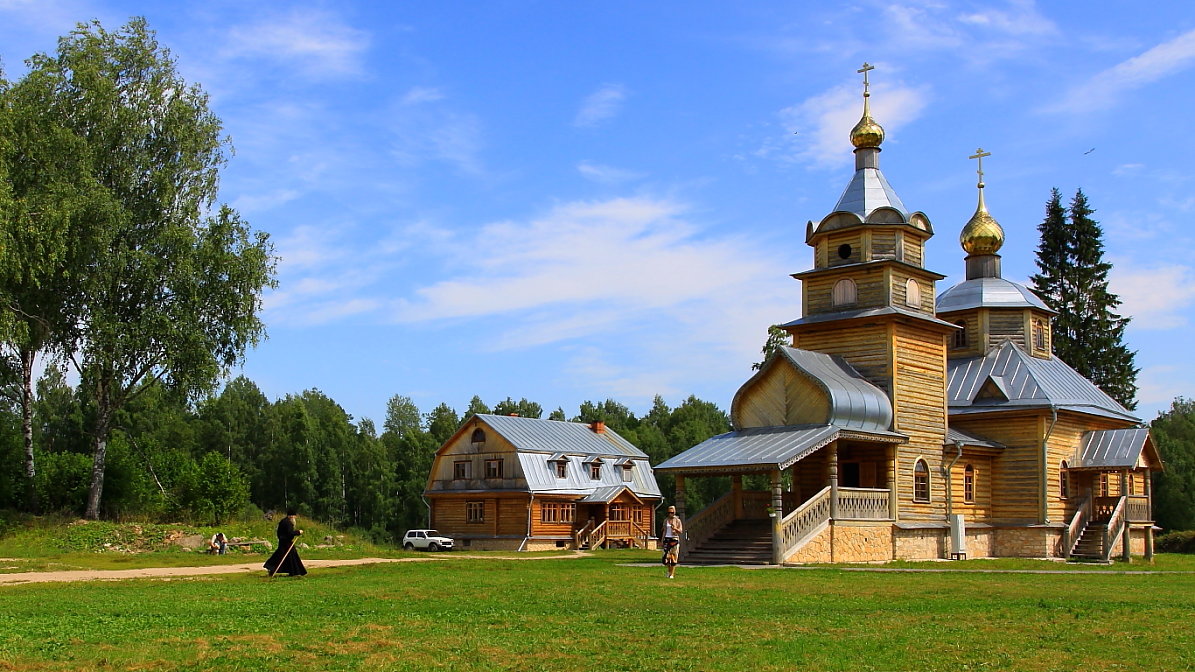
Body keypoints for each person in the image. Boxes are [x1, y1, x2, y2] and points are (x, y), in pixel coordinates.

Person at [263, 508, 307, 577]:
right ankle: (274, 568)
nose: (295, 518)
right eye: (294, 516)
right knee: (283, 556)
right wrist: (298, 532)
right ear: (291, 516)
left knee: (287, 557)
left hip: (283, 542)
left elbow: (279, 533)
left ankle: (290, 571)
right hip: (286, 543)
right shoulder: (288, 523)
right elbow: (290, 533)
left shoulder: (283, 521)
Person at [661, 505, 684, 579]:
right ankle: (669, 571)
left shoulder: (677, 520)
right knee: (666, 557)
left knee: (674, 557)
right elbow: (664, 531)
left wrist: (675, 528)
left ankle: (672, 574)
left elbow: (680, 531)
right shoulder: (666, 520)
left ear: (675, 512)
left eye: (672, 512)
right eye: (669, 512)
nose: (671, 514)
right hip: (667, 539)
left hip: (674, 539)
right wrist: (662, 540)